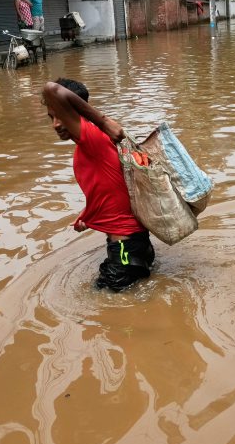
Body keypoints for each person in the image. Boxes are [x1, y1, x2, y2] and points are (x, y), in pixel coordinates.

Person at [41, 78, 156, 292]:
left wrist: (103, 120)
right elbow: (114, 186)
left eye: (60, 116)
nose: (55, 124)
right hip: (135, 244)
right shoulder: (92, 142)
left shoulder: (92, 136)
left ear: (78, 111)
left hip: (125, 250)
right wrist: (89, 213)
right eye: (51, 117)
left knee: (107, 316)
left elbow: (51, 89)